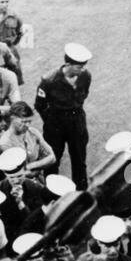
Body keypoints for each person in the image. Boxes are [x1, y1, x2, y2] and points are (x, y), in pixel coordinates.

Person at [35, 44, 92, 190]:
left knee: (79, 159)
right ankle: (52, 193)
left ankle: (81, 193)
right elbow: (39, 105)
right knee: (52, 160)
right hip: (55, 124)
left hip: (77, 120)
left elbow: (83, 94)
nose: (83, 69)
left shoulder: (85, 76)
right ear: (68, 64)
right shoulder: (49, 81)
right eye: (79, 66)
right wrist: (51, 121)